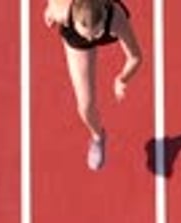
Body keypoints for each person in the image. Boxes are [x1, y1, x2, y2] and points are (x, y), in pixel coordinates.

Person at [44, 0, 142, 170]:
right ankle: (98, 136)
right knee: (85, 106)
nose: (90, 39)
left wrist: (122, 78)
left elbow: (135, 57)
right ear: (73, 18)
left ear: (104, 15)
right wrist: (50, 10)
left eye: (95, 34)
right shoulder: (62, 11)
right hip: (74, 37)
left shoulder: (116, 19)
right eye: (86, 34)